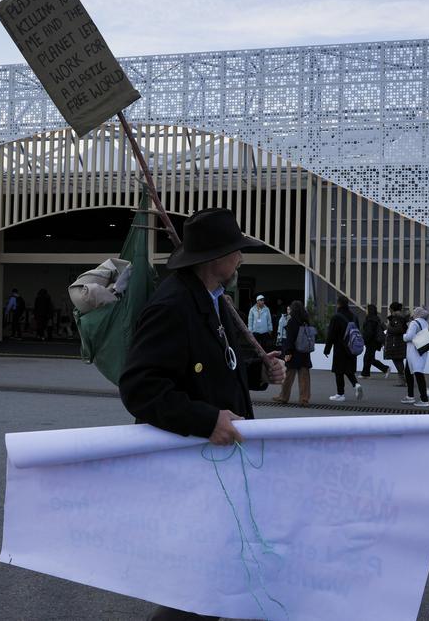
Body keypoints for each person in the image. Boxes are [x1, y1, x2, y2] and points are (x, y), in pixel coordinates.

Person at [119, 208, 286, 621]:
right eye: (236, 251)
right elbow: (140, 387)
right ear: (215, 258)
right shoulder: (173, 305)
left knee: (217, 568)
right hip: (195, 463)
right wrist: (206, 420)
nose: (241, 259)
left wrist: (258, 372)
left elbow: (214, 367)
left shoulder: (209, 300)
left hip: (219, 462)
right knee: (202, 578)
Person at [273, 300, 313, 405]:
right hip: (304, 352)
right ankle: (304, 399)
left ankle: (283, 397)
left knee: (288, 376)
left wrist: (287, 352)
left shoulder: (292, 321)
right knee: (304, 377)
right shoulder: (306, 321)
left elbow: (290, 339)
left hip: (294, 352)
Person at [325, 296, 363, 401]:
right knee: (349, 369)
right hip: (352, 348)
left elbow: (331, 335)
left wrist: (327, 349)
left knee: (339, 371)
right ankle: (356, 385)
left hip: (340, 348)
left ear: (338, 304)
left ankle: (340, 394)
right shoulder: (354, 317)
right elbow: (358, 331)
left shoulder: (336, 317)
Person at [402, 306, 429, 406]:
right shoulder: (425, 323)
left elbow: (409, 337)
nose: (413, 314)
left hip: (413, 351)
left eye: (414, 312)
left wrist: (404, 336)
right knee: (409, 372)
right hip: (421, 350)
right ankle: (410, 396)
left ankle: (424, 399)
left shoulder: (414, 323)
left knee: (417, 374)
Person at [359, 304, 391, 378]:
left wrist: (365, 339)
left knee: (367, 357)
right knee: (370, 358)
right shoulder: (376, 318)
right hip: (375, 341)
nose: (365, 311)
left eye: (367, 309)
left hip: (371, 342)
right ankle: (367, 373)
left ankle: (385, 369)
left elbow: (369, 332)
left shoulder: (370, 320)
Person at [383, 303, 410, 386]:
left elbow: (398, 330)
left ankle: (403, 381)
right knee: (398, 361)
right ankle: (404, 380)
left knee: (398, 361)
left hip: (396, 344)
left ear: (392, 309)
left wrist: (388, 327)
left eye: (390, 308)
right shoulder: (400, 318)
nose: (389, 310)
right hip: (398, 343)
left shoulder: (397, 318)